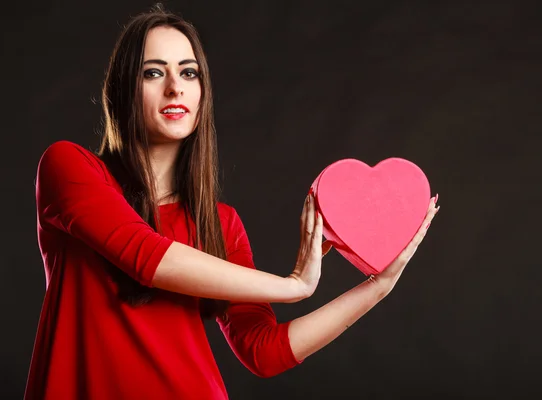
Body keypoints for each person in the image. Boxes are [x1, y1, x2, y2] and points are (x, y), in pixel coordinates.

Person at [24, 5, 439, 400]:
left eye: (189, 73)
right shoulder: (68, 168)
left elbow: (263, 351)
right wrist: (293, 285)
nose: (175, 87)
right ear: (122, 89)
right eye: (153, 72)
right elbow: (145, 256)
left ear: (202, 93)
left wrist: (377, 288)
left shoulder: (220, 223)